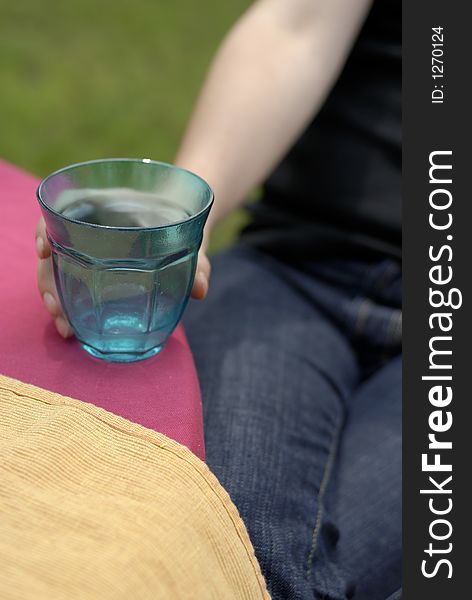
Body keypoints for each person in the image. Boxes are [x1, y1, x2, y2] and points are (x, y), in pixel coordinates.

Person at [35, 0, 402, 598]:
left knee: (271, 577)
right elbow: (296, 26)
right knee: (224, 543)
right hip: (298, 270)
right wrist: (177, 218)